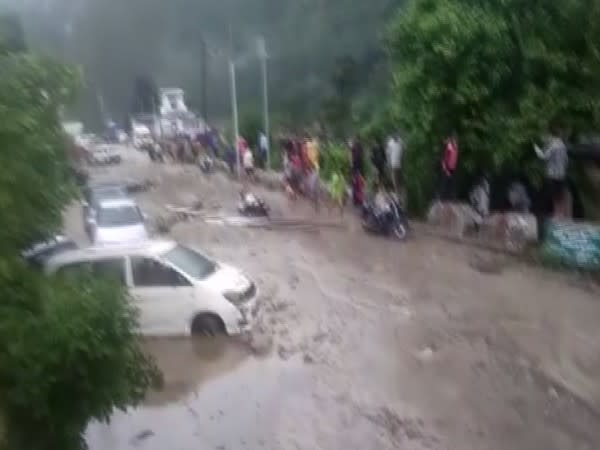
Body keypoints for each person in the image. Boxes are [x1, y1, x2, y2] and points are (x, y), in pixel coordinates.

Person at [534, 126, 569, 218]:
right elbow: (566, 160)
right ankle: (561, 214)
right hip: (561, 174)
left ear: (551, 135)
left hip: (552, 174)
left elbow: (543, 156)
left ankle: (556, 214)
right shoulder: (563, 145)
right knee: (559, 195)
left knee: (553, 195)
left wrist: (536, 148)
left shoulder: (553, 146)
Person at [439, 132, 459, 200]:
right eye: (453, 139)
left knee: (451, 182)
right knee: (445, 181)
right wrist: (445, 168)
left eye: (455, 139)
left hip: (453, 167)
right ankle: (443, 197)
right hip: (447, 166)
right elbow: (445, 157)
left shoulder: (455, 147)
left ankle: (451, 196)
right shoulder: (449, 146)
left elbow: (455, 158)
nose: (454, 140)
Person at [386, 134, 404, 199]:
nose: (395, 138)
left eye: (396, 136)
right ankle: (397, 194)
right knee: (395, 179)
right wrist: (388, 164)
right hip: (393, 164)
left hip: (400, 164)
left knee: (399, 179)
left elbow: (403, 151)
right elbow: (388, 154)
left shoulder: (400, 141)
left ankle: (399, 193)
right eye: (394, 137)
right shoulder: (390, 143)